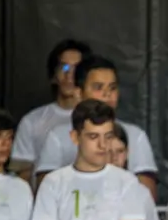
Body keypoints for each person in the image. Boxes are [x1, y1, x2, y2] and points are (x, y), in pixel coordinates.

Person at [34, 55, 158, 194]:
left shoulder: (136, 136)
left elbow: (146, 195)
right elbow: (45, 190)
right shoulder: (57, 136)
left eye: (112, 88)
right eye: (98, 87)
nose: (107, 94)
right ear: (79, 93)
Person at [11, 39, 91, 184]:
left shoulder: (97, 120)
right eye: (64, 68)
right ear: (53, 75)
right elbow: (23, 175)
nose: (69, 76)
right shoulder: (32, 121)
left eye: (76, 69)